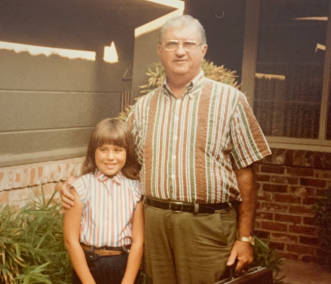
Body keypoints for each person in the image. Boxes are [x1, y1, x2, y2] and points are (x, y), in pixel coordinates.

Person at [61, 15, 271, 284]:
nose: (180, 51)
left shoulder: (230, 101)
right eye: (171, 44)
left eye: (188, 44)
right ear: (160, 51)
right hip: (155, 224)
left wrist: (245, 237)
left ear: (203, 50)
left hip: (206, 227)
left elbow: (246, 174)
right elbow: (112, 152)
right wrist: (73, 184)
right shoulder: (144, 107)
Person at [63, 118, 144, 284]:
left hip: (123, 266)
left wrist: (128, 281)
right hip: (88, 267)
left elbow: (138, 241)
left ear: (127, 152)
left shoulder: (136, 190)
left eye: (118, 150)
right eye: (103, 149)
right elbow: (70, 240)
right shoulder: (80, 188)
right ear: (93, 151)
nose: (110, 157)